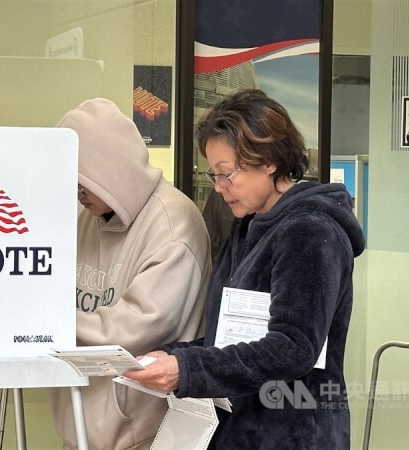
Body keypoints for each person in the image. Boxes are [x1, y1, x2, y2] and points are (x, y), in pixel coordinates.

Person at [123, 89, 366, 449]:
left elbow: (293, 347)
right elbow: (236, 335)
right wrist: (177, 355)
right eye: (213, 175)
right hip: (243, 428)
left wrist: (187, 371)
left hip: (294, 433)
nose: (219, 188)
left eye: (227, 174)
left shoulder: (310, 231)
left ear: (269, 161)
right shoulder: (250, 225)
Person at [49, 98, 212, 450]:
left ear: (108, 171)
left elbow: (134, 328)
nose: (78, 195)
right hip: (80, 422)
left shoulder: (173, 226)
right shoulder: (88, 218)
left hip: (142, 435)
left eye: (82, 183)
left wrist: (45, 324)